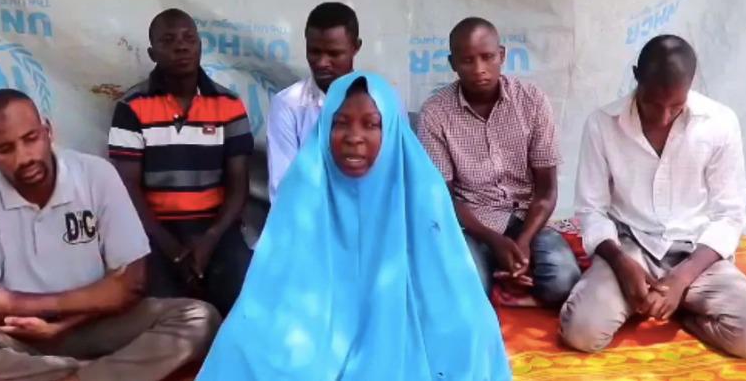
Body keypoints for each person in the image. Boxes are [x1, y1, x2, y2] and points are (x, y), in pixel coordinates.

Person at [197, 72, 512, 380]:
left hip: (402, 312)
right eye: (340, 123)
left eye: (371, 124)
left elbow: (446, 281)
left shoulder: (420, 185)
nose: (354, 137)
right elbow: (278, 284)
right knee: (245, 341)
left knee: (474, 330)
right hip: (319, 319)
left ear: (390, 130)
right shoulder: (305, 183)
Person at [0, 89, 219, 381]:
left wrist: (63, 322)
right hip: (22, 336)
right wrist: (58, 315)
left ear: (48, 131)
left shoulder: (95, 174)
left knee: (200, 319)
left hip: (99, 322)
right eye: (5, 149)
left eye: (30, 139)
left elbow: (131, 283)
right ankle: (95, 374)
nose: (24, 157)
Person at [560, 35, 746, 357]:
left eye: (675, 106)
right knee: (582, 333)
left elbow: (729, 215)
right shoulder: (602, 125)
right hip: (629, 248)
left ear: (692, 83)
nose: (663, 117)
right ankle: (646, 296)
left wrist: (682, 279)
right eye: (652, 104)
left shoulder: (719, 123)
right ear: (636, 76)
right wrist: (620, 264)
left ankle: (683, 308)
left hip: (695, 253)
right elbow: (592, 210)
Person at [417, 17, 580, 307]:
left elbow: (546, 190)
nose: (479, 69)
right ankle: (499, 268)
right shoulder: (435, 113)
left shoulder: (532, 101)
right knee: (467, 288)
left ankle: (512, 267)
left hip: (526, 222)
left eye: (487, 57)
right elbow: (442, 197)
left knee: (564, 282)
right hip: (472, 226)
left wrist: (524, 242)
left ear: (502, 56)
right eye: (467, 60)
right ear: (452, 63)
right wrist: (494, 241)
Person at [109, 8, 255, 317]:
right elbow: (127, 188)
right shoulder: (131, 107)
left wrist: (210, 239)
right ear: (152, 52)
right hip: (155, 232)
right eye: (169, 40)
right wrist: (171, 248)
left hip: (216, 230)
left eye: (190, 38)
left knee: (244, 299)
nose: (181, 46)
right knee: (162, 314)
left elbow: (239, 185)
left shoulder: (228, 105)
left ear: (200, 44)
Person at [266, 2, 362, 202]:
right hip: (307, 224)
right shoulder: (287, 105)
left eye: (334, 54)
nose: (322, 62)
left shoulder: (384, 102)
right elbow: (285, 190)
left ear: (356, 47)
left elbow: (395, 178)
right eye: (314, 52)